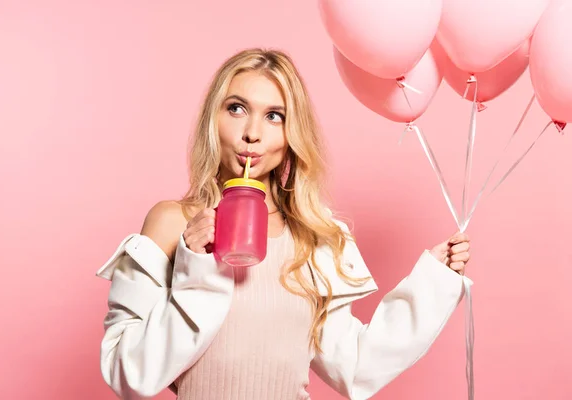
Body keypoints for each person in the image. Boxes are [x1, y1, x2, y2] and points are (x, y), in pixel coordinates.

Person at [96, 48, 472, 400]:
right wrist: (195, 267)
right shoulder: (172, 223)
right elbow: (127, 373)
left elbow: (356, 366)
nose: (253, 134)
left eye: (274, 116)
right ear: (214, 118)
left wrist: (432, 285)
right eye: (237, 108)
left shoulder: (316, 238)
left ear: (292, 134)